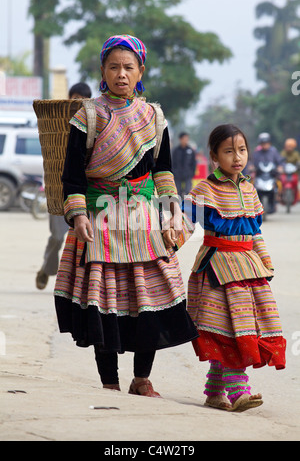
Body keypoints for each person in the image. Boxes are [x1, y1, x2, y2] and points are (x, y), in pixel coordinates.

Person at [53, 34, 198, 397]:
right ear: (102, 70)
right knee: (104, 301)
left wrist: (172, 212)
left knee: (149, 299)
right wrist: (78, 215)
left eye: (128, 67)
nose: (121, 74)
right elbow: (71, 175)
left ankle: (142, 379)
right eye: (114, 66)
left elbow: (163, 171)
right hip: (100, 219)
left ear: (140, 71)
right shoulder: (87, 114)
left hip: (142, 218)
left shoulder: (154, 116)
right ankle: (109, 381)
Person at [184, 124, 286, 411]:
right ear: (214, 155)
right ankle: (239, 390)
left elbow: (255, 232)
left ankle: (215, 392)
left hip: (249, 268)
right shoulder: (205, 189)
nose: (237, 157)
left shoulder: (250, 189)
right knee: (230, 328)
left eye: (241, 150)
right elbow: (185, 224)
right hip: (217, 267)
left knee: (231, 327)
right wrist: (166, 242)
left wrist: (265, 262)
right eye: (229, 151)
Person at [36, 82, 92, 290]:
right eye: (74, 98)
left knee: (84, 241)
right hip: (60, 191)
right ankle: (46, 269)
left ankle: (77, 287)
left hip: (84, 194)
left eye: (82, 100)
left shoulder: (93, 124)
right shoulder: (57, 125)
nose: (77, 102)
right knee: (57, 237)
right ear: (68, 97)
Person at [172, 132, 196, 197]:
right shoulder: (175, 151)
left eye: (187, 139)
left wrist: (192, 173)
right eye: (184, 139)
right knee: (178, 192)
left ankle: (187, 206)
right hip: (177, 175)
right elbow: (173, 163)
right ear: (180, 139)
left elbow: (193, 162)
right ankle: (179, 206)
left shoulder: (190, 150)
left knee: (188, 191)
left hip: (188, 174)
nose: (186, 140)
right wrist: (174, 172)